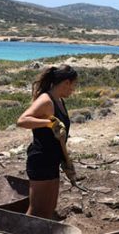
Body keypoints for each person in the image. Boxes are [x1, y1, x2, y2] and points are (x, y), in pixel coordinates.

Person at [16, 65, 78, 219]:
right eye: (74, 85)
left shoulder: (59, 101)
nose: (74, 89)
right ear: (66, 83)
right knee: (36, 209)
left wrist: (65, 160)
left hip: (53, 159)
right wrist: (49, 123)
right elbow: (22, 121)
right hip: (41, 159)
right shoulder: (46, 100)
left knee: (49, 208)